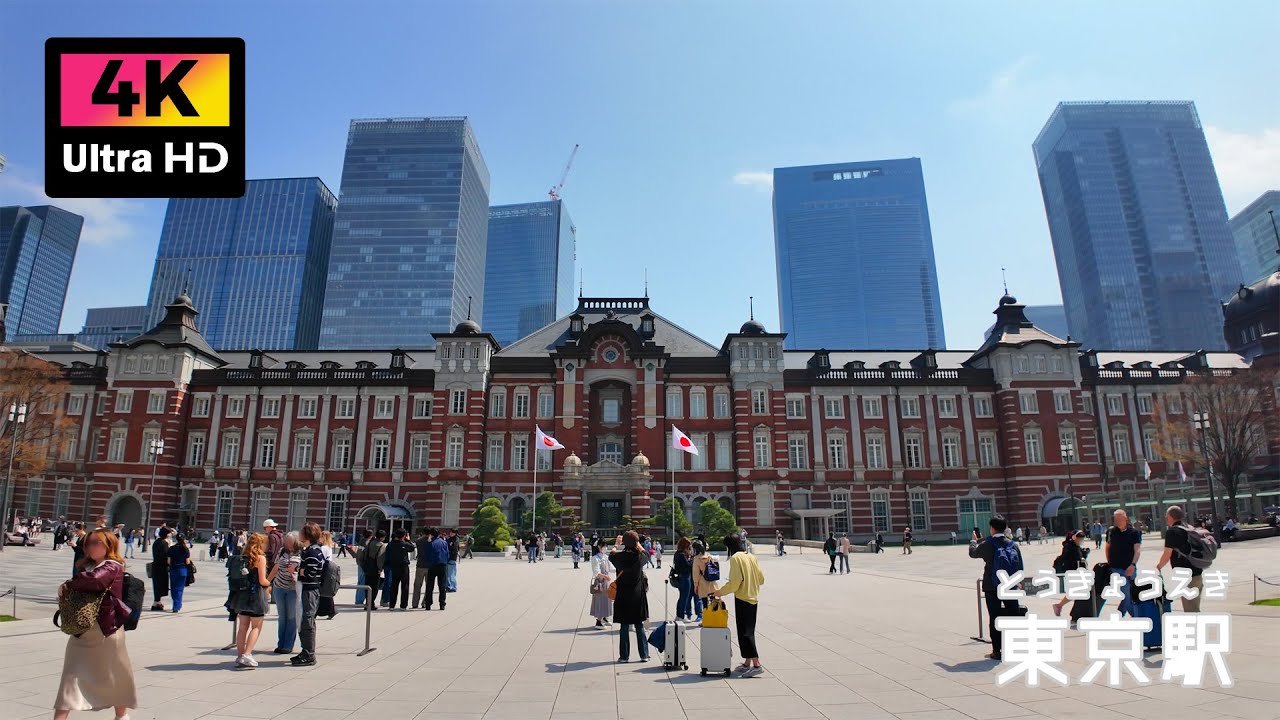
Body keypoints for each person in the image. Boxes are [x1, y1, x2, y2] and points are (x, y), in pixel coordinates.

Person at [53, 528, 137, 720]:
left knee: (115, 674)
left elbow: (96, 581)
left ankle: (121, 716)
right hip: (83, 630)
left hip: (106, 631)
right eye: (88, 542)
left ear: (109, 545)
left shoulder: (112, 566)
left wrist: (67, 584)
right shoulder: (87, 567)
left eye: (95, 542)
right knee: (71, 676)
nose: (90, 546)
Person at [710, 533, 766, 677]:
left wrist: (719, 592)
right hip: (753, 597)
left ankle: (757, 664)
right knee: (748, 630)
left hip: (743, 598)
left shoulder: (735, 559)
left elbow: (735, 583)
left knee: (745, 633)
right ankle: (747, 662)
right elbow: (761, 578)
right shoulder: (751, 556)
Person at [969, 514, 1023, 661]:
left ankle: (997, 651)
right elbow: (1020, 566)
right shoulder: (1013, 544)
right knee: (1013, 614)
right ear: (1005, 528)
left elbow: (973, 553)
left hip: (992, 586)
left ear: (992, 528)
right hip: (1010, 585)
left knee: (995, 617)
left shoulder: (988, 544)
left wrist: (973, 541)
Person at [229, 532, 271, 669]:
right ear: (260, 544)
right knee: (256, 626)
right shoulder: (260, 558)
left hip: (242, 594)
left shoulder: (242, 557)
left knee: (242, 627)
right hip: (256, 595)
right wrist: (269, 584)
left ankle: (240, 655)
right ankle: (247, 654)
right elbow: (262, 580)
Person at [609, 531, 650, 663]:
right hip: (637, 595)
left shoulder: (619, 557)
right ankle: (644, 654)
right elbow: (647, 554)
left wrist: (616, 544)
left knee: (624, 626)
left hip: (623, 595)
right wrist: (637, 544)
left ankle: (624, 656)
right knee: (639, 625)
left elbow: (611, 555)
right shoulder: (640, 557)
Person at [1155, 505, 1203, 612]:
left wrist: (1158, 566)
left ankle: (1196, 628)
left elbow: (1167, 554)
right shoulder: (1189, 528)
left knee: (1191, 611)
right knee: (1194, 608)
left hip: (1186, 577)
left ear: (1171, 517)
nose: (1166, 519)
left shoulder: (1172, 532)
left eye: (1166, 516)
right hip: (1197, 574)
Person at [293, 522, 325, 666]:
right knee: (304, 620)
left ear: (307, 534)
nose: (299, 533)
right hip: (308, 589)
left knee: (307, 621)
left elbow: (311, 572)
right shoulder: (311, 550)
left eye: (301, 531)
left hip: (309, 590)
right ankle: (306, 650)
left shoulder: (312, 552)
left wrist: (299, 570)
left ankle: (309, 653)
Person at [268, 531, 302, 654]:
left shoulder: (301, 553)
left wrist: (297, 573)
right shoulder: (282, 551)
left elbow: (304, 569)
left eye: (289, 541)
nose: (287, 543)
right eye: (286, 541)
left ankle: (288, 645)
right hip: (279, 587)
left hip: (293, 589)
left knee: (291, 617)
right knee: (282, 617)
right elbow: (276, 567)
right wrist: (267, 582)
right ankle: (280, 643)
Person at [1104, 509, 1142, 617]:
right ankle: (1137, 617)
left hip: (1130, 567)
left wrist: (1133, 565)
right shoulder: (1111, 532)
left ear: (1125, 518)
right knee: (1126, 593)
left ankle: (1120, 612)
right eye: (1115, 518)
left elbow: (1137, 550)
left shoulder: (1134, 532)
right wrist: (1109, 563)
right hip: (1116, 568)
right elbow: (1107, 548)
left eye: (1120, 518)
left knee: (1130, 594)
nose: (1117, 520)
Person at [1051, 531, 1089, 617]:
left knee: (1076, 592)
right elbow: (1068, 559)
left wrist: (1084, 553)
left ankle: (1060, 606)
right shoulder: (1069, 547)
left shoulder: (1075, 546)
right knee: (1078, 592)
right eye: (1080, 539)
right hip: (1072, 572)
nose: (1081, 541)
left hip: (1077, 572)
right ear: (1075, 538)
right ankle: (1073, 612)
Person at [383, 529, 413, 610]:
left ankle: (392, 605)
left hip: (394, 566)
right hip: (403, 566)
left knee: (394, 586)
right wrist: (409, 540)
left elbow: (387, 556)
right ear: (404, 536)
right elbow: (412, 548)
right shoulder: (405, 544)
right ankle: (403, 605)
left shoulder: (390, 544)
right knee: (405, 586)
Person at [421, 528, 449, 610]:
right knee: (442, 586)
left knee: (430, 586)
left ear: (431, 534)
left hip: (432, 566)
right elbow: (447, 554)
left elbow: (427, 555)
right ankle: (442, 604)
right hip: (442, 565)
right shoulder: (444, 542)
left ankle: (428, 604)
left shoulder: (430, 543)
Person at [589, 541, 613, 627]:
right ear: (599, 547)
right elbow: (596, 571)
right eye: (604, 546)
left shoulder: (606, 557)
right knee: (600, 600)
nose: (605, 548)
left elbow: (612, 568)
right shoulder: (595, 558)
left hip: (606, 582)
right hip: (599, 583)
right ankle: (598, 621)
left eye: (606, 546)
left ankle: (605, 617)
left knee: (607, 600)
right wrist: (604, 576)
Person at [357, 530, 384, 607]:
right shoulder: (378, 544)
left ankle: (361, 601)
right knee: (373, 586)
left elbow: (364, 554)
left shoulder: (363, 542)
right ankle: (369, 603)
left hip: (365, 565)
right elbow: (380, 558)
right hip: (373, 567)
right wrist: (380, 568)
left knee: (364, 583)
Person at [672, 537, 696, 621]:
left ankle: (678, 615)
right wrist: (692, 560)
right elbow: (687, 566)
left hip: (680, 577)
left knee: (681, 597)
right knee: (684, 598)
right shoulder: (682, 554)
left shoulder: (677, 553)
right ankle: (681, 616)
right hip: (685, 577)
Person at [166, 535, 192, 613]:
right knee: (179, 589)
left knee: (173, 588)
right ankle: (176, 606)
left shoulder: (171, 548)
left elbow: (168, 561)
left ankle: (176, 604)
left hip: (173, 570)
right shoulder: (185, 549)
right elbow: (187, 562)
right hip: (182, 570)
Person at [690, 540, 714, 621]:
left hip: (702, 582)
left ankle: (706, 620)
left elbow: (695, 574)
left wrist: (695, 585)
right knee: (713, 601)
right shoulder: (708, 555)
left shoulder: (696, 559)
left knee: (704, 603)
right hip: (711, 581)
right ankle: (714, 618)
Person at [149, 527, 171, 611]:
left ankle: (157, 601)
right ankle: (157, 602)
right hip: (162, 567)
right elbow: (165, 555)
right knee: (161, 584)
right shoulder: (164, 543)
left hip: (155, 565)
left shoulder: (156, 542)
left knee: (156, 584)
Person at [317, 531, 338, 620]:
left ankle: (329, 610)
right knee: (326, 592)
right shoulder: (328, 547)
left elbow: (321, 560)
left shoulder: (323, 548)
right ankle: (330, 610)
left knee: (322, 592)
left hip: (323, 571)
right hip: (329, 570)